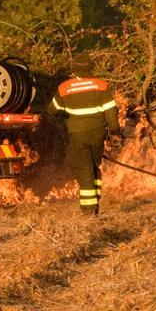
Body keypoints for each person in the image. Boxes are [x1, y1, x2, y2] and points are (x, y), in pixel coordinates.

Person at [51, 57, 119, 215]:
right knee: (94, 167)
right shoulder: (101, 86)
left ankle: (89, 211)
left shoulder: (64, 88)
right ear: (91, 68)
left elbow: (52, 110)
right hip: (98, 133)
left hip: (77, 134)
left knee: (85, 169)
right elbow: (111, 114)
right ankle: (95, 201)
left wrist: (65, 117)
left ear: (74, 70)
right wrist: (115, 135)